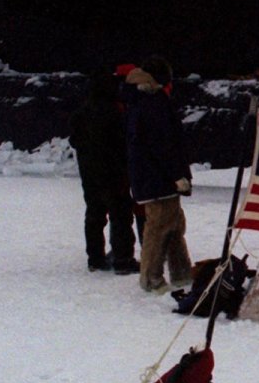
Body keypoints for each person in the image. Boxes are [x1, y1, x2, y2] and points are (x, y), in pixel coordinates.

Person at [122, 56, 193, 294]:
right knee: (159, 227)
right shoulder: (153, 103)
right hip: (158, 178)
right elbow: (162, 144)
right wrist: (177, 175)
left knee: (173, 224)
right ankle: (151, 279)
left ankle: (182, 273)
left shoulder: (141, 100)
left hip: (152, 176)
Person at [69, 70, 138, 274]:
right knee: (121, 214)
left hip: (90, 171)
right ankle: (123, 258)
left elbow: (76, 140)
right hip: (113, 171)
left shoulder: (81, 113)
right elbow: (121, 142)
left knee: (94, 213)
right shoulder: (115, 112)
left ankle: (95, 258)